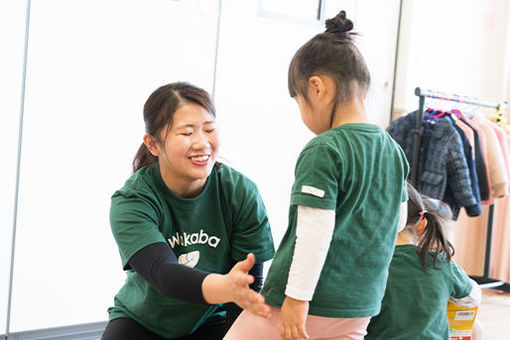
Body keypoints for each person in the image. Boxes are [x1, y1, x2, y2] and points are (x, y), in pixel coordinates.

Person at [224, 10, 409, 340]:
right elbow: (396, 221)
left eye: (300, 102)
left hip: (304, 299)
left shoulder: (325, 148)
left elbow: (314, 232)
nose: (304, 116)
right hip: (361, 304)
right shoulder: (393, 150)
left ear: (317, 88)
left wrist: (297, 298)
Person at [101, 82, 275, 340]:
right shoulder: (133, 201)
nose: (202, 143)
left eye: (209, 129)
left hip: (211, 320)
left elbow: (246, 288)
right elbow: (163, 273)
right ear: (153, 144)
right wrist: (225, 287)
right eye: (186, 133)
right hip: (143, 321)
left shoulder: (240, 192)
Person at [365, 183, 482, 340]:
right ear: (422, 224)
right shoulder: (440, 263)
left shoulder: (368, 264)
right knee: (476, 328)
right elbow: (472, 298)